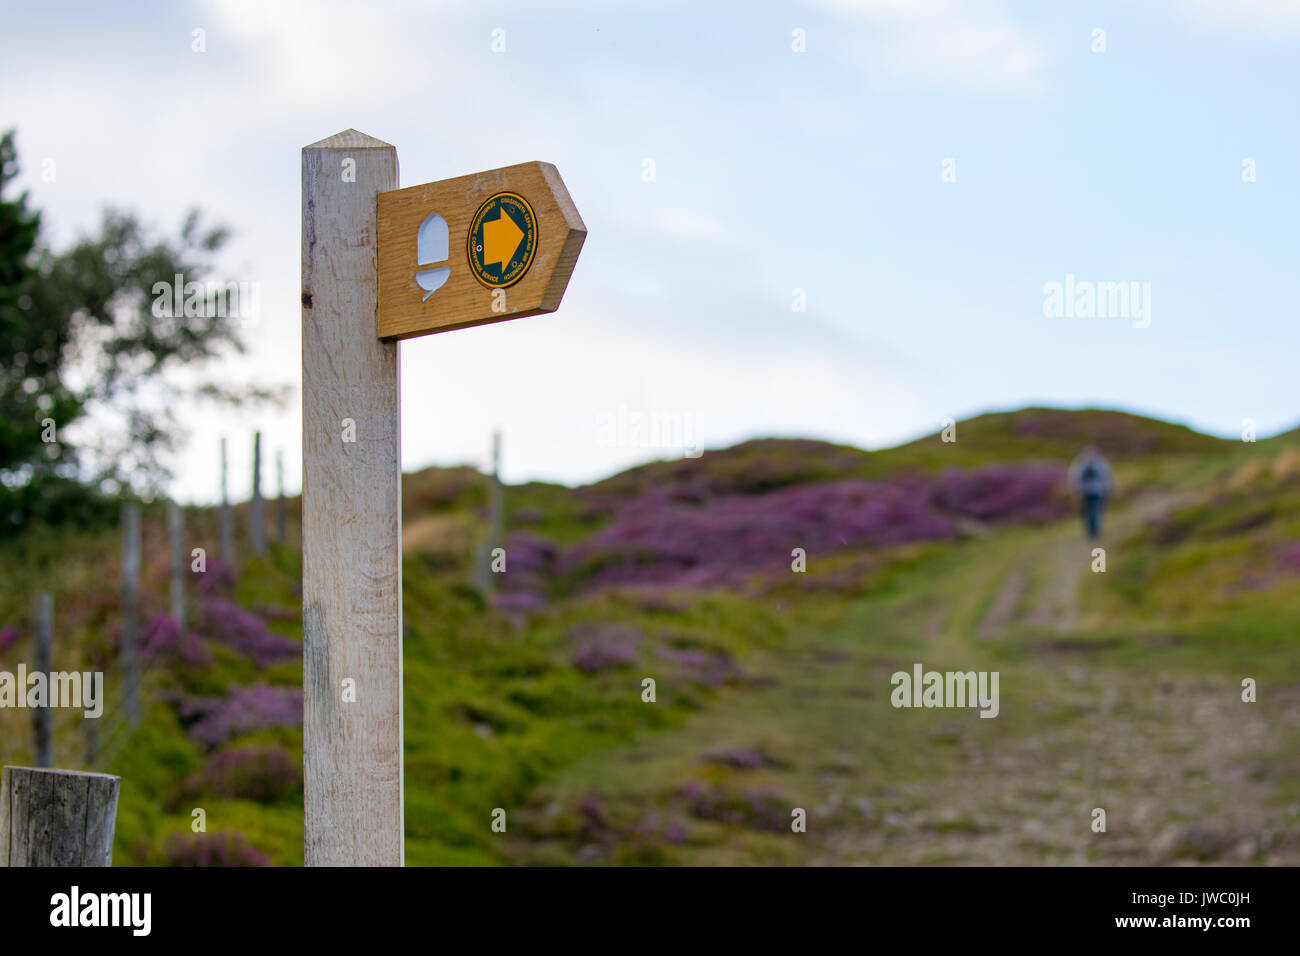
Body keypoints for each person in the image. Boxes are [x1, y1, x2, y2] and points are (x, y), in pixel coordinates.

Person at [1068, 445, 1112, 540]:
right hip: (1088, 492)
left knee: (1094, 512)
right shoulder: (1086, 463)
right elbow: (1075, 478)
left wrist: (1106, 489)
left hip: (1094, 491)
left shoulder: (1085, 462)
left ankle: (1093, 531)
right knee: (1089, 512)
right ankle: (1092, 531)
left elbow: (1106, 477)